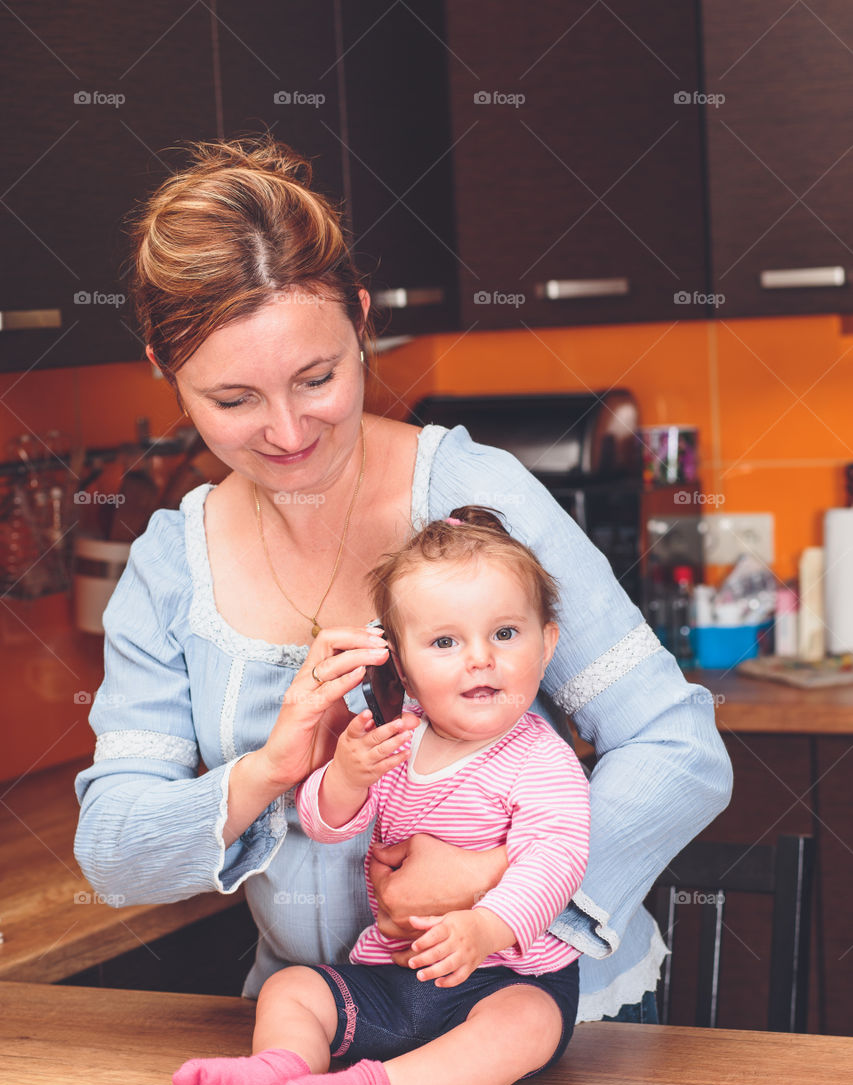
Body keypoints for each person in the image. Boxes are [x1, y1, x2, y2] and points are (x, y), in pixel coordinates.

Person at [73, 136, 732, 1037]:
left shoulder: (472, 496)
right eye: (232, 401)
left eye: (318, 378)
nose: (287, 432)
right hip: (321, 1026)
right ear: (162, 364)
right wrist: (267, 771)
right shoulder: (168, 566)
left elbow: (676, 747)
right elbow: (115, 853)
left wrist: (497, 888)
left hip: (541, 1014)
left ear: (361, 318)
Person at [170, 508, 590, 1085]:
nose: (480, 659)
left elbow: (555, 859)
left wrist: (484, 927)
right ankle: (275, 1073)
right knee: (292, 990)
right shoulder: (396, 741)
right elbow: (326, 823)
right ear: (402, 666)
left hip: (503, 976)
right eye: (445, 642)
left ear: (547, 643)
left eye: (505, 633)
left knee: (527, 1026)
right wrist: (346, 777)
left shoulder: (541, 758)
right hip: (390, 975)